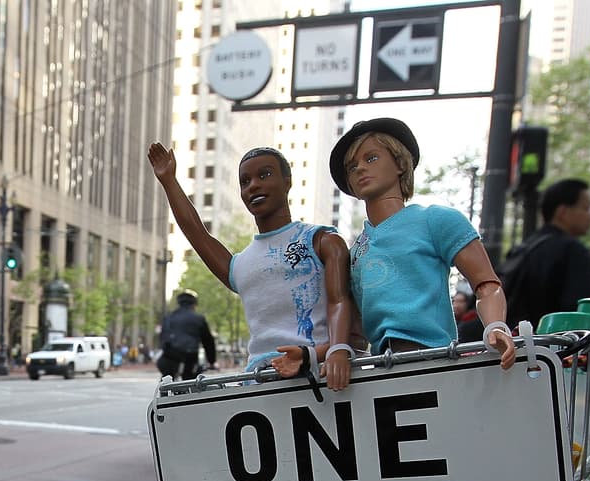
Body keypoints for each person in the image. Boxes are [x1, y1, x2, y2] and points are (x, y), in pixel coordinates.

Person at [148, 141, 356, 390]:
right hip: (257, 383)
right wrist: (169, 181)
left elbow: (340, 300)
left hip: (318, 377)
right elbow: (197, 234)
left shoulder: (321, 241)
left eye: (265, 175)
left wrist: (337, 351)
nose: (254, 185)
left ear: (287, 182)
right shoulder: (241, 265)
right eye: (245, 181)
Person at [329, 118, 516, 369]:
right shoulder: (354, 253)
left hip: (434, 358)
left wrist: (495, 326)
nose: (360, 168)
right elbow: (355, 327)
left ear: (399, 163)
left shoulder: (435, 220)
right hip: (381, 367)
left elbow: (485, 283)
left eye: (371, 158)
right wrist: (338, 354)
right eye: (351, 167)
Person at [499, 178, 590, 329]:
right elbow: (584, 312)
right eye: (586, 208)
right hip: (552, 348)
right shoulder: (572, 250)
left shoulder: (522, 249)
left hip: (509, 343)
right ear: (562, 212)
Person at [156, 290, 217, 379]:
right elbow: (208, 342)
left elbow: (162, 337)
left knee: (166, 379)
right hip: (190, 355)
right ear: (194, 304)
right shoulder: (198, 318)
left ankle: (164, 390)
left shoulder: (168, 317)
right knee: (190, 380)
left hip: (170, 355)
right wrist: (212, 361)